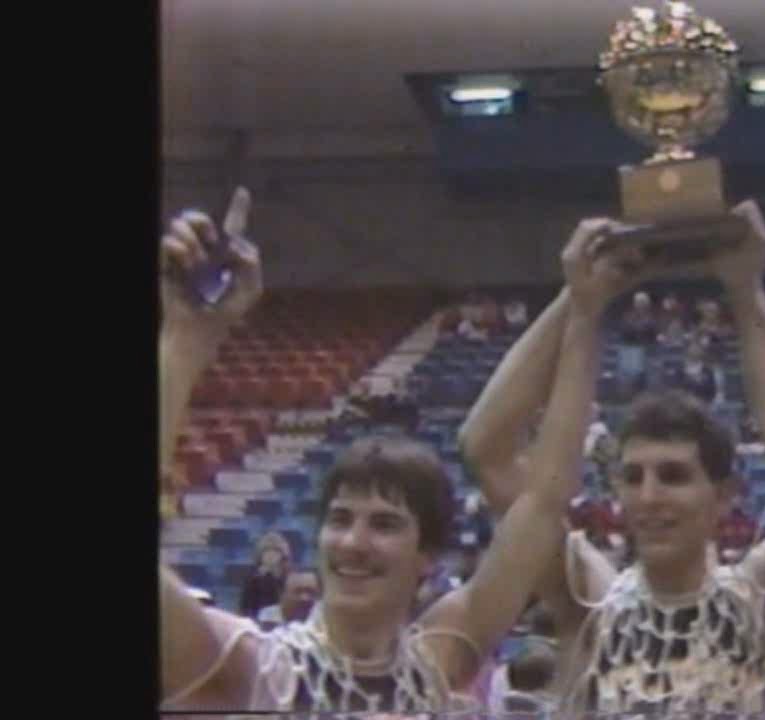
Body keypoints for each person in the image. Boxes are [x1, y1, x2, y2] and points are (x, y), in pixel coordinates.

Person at [158, 191, 616, 714]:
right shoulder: (246, 666)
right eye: (340, 519)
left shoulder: (441, 658)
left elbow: (543, 499)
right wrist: (186, 341)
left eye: (384, 524)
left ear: (428, 557)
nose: (353, 542)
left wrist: (583, 309)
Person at [458, 200, 765, 713]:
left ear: (724, 496)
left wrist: (747, 292)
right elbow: (486, 448)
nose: (648, 496)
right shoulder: (590, 597)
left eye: (673, 476)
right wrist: (579, 301)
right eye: (632, 477)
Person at [239, 531, 292, 619]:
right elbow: (245, 607)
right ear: (260, 555)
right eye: (266, 551)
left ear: (282, 555)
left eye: (275, 552)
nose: (270, 556)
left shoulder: (289, 578)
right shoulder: (252, 578)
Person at [256, 568, 320, 631]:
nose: (305, 598)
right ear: (281, 593)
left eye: (310, 592)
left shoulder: (323, 618)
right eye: (298, 592)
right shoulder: (268, 618)